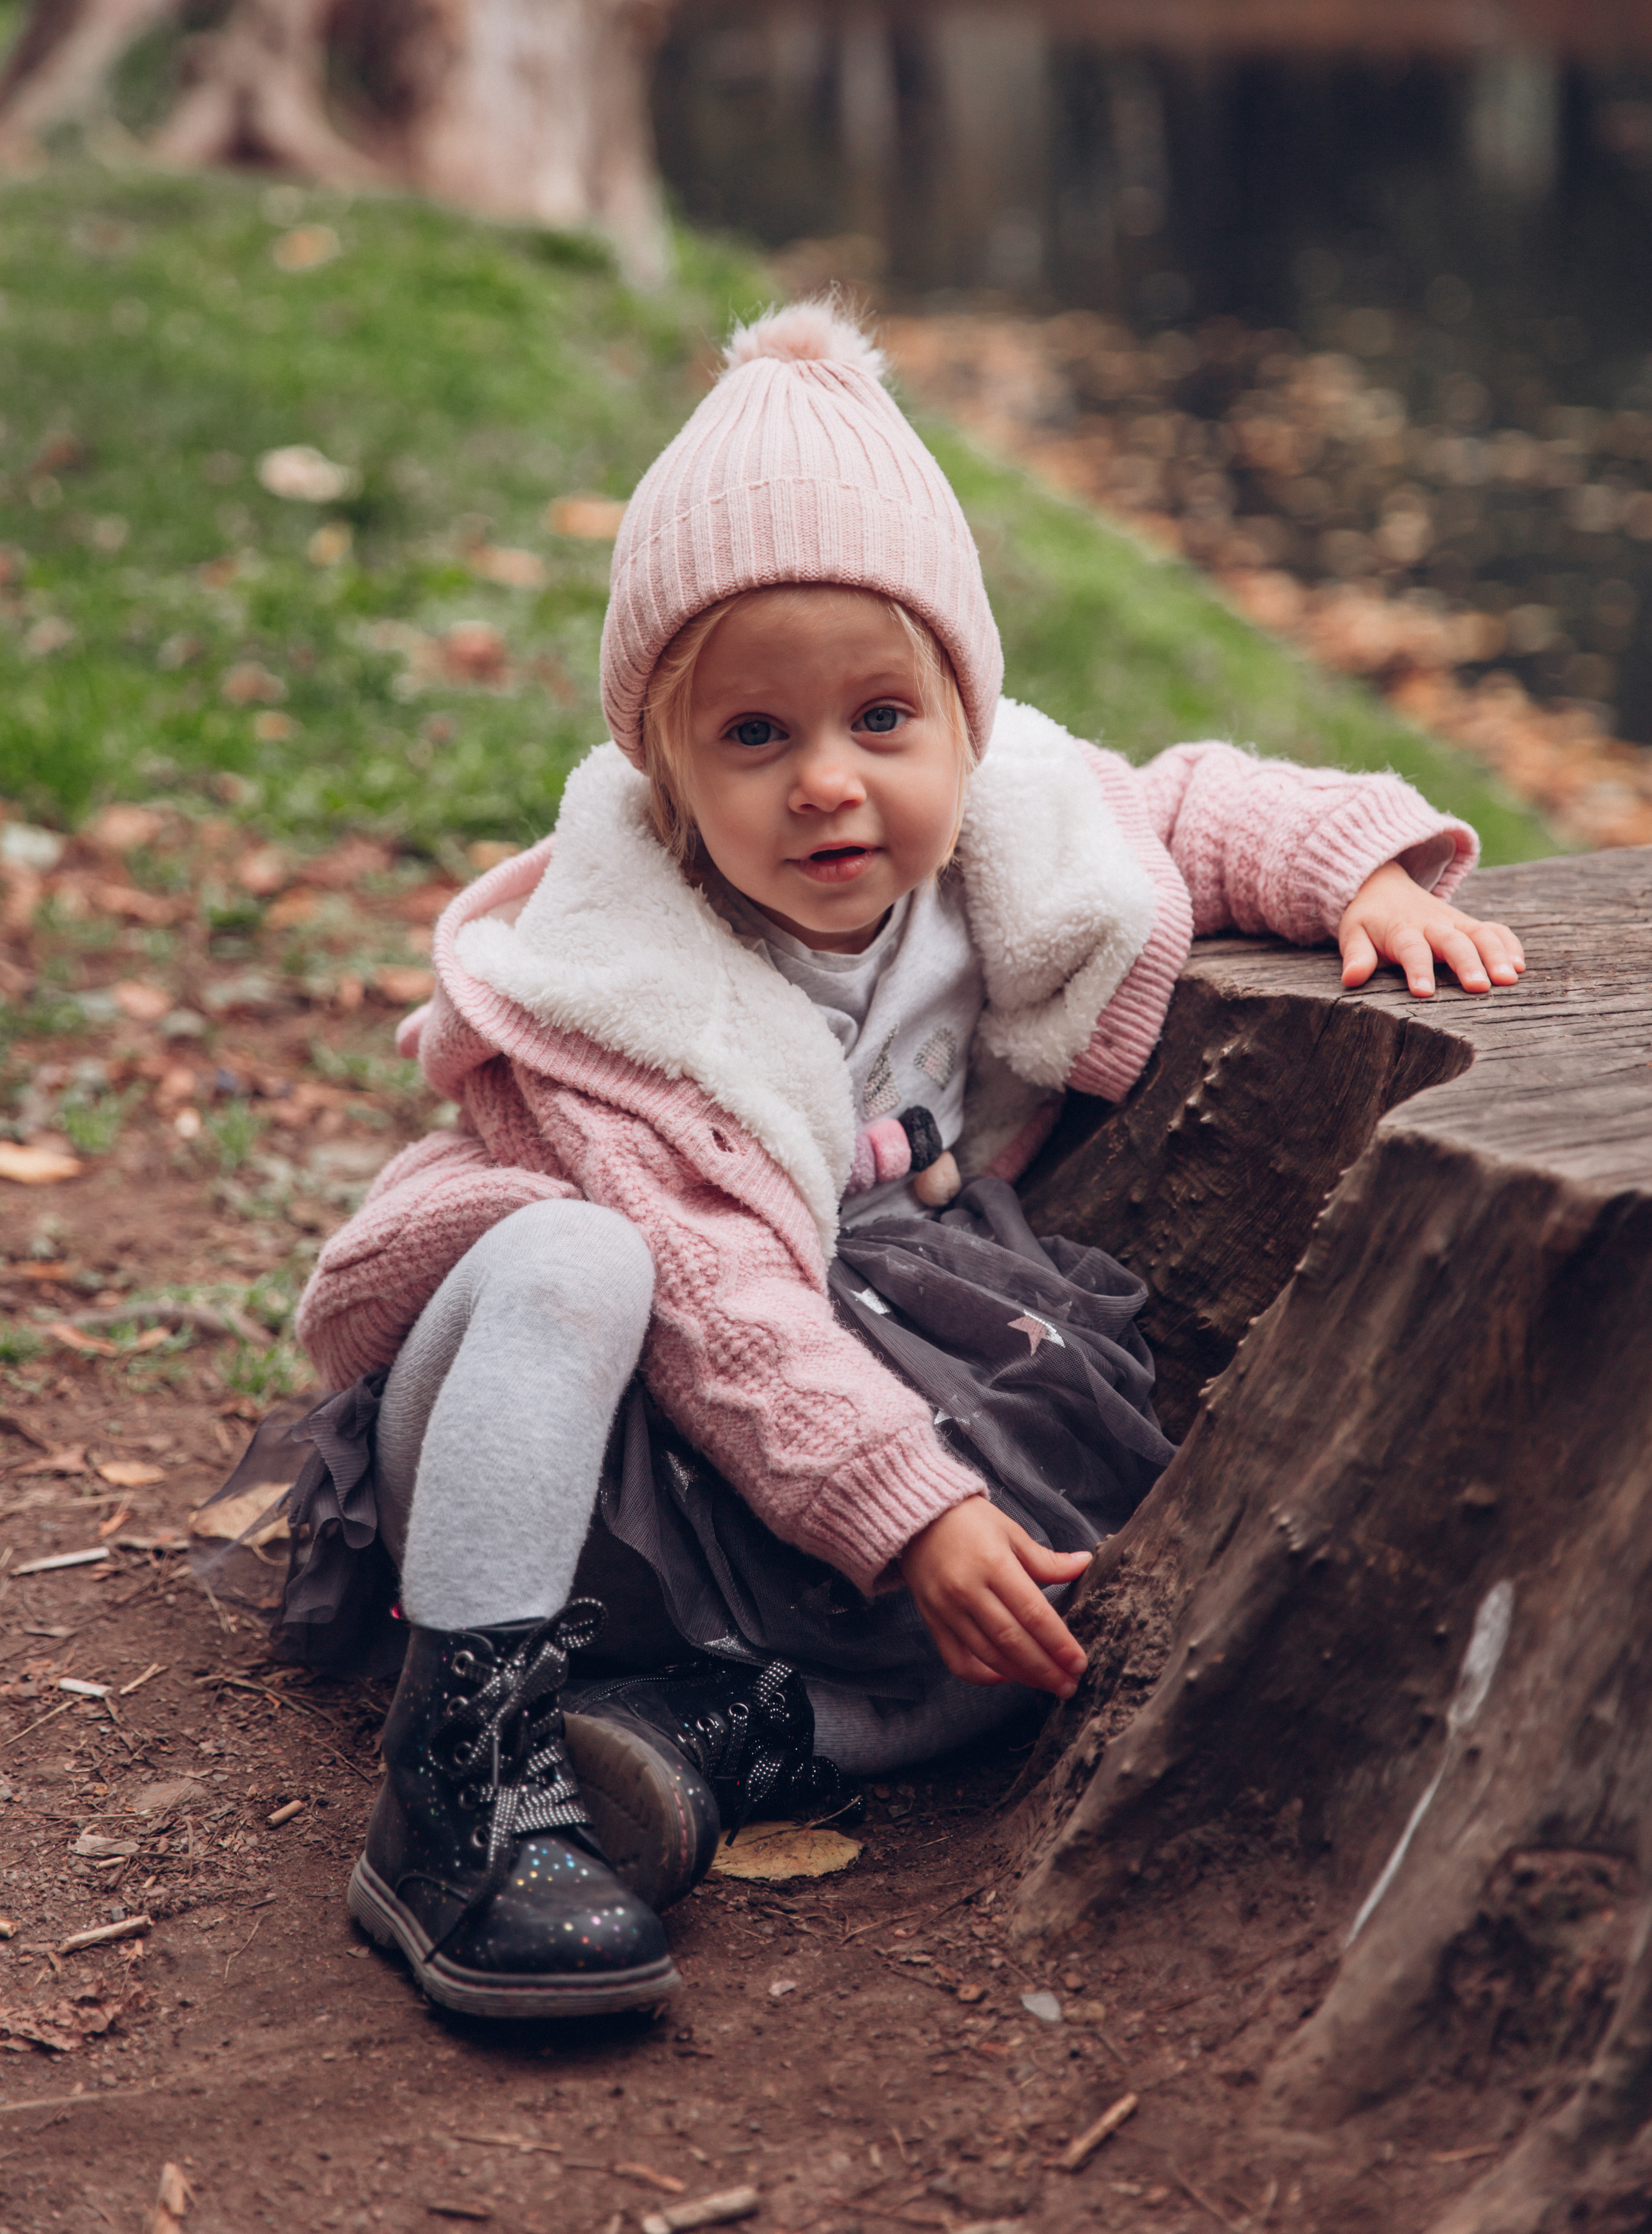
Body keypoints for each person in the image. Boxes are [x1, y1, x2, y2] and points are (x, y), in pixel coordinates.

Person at [289, 300, 1524, 2020]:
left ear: (967, 716)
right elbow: (721, 1311)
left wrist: (1358, 873)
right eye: (754, 737)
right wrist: (908, 1507)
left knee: (1053, 1575)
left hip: (815, 1386)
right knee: (594, 1265)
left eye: (883, 719)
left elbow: (1181, 802)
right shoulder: (624, 983)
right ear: (661, 770)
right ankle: (463, 1777)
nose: (828, 786)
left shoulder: (1006, 824)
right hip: (574, 1435)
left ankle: (697, 1738)